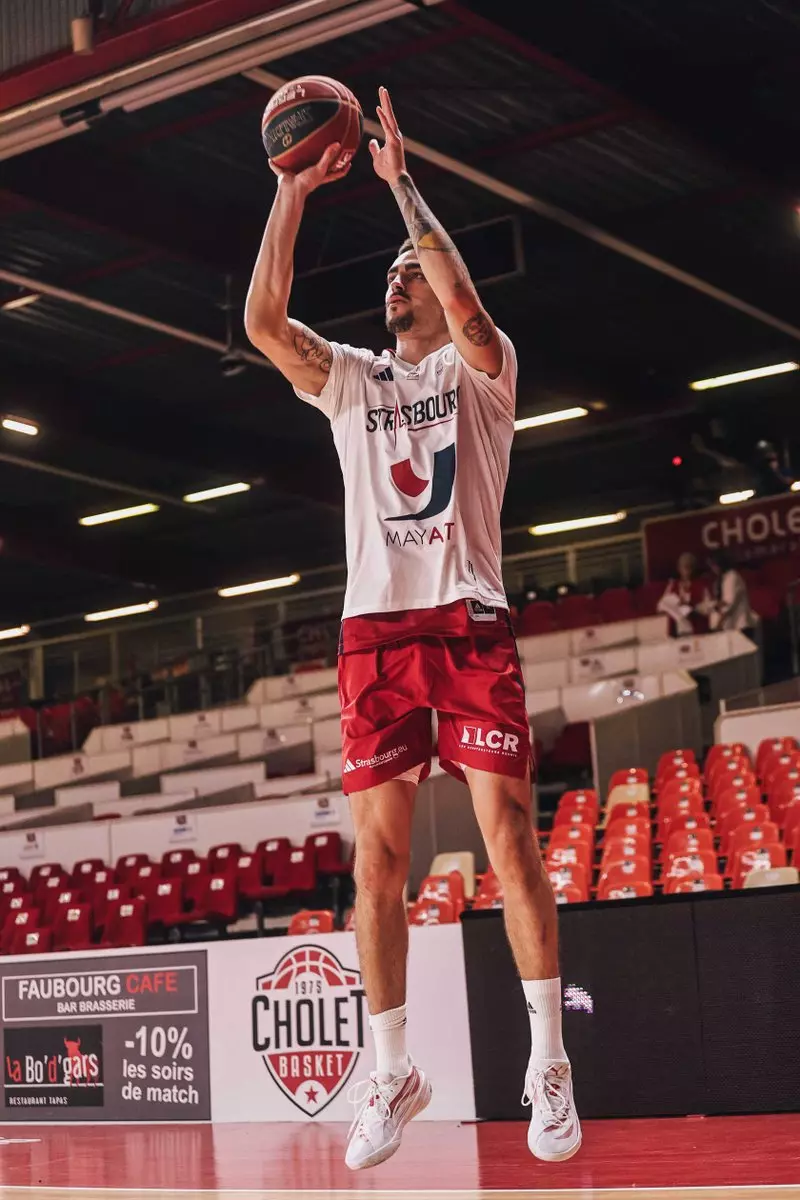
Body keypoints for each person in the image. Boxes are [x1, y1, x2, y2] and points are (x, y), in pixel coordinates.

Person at [244, 87, 580, 1170]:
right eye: (389, 276)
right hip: (374, 638)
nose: (395, 283)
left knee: (509, 840)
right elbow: (260, 325)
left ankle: (545, 1062)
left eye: (409, 275)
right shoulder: (350, 382)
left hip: (469, 624)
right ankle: (389, 1070)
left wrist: (399, 190)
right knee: (375, 866)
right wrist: (291, 194)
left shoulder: (482, 372)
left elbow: (468, 304)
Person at [705, 551, 757, 637]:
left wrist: (720, 622)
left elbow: (729, 602)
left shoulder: (732, 576)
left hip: (740, 625)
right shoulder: (721, 579)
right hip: (730, 626)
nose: (712, 569)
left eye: (713, 565)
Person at [657, 552, 708, 636]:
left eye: (690, 567)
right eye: (684, 567)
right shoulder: (673, 585)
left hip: (695, 628)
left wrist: (692, 607)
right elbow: (661, 606)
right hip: (678, 630)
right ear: (679, 569)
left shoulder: (701, 585)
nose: (687, 570)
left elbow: (707, 607)